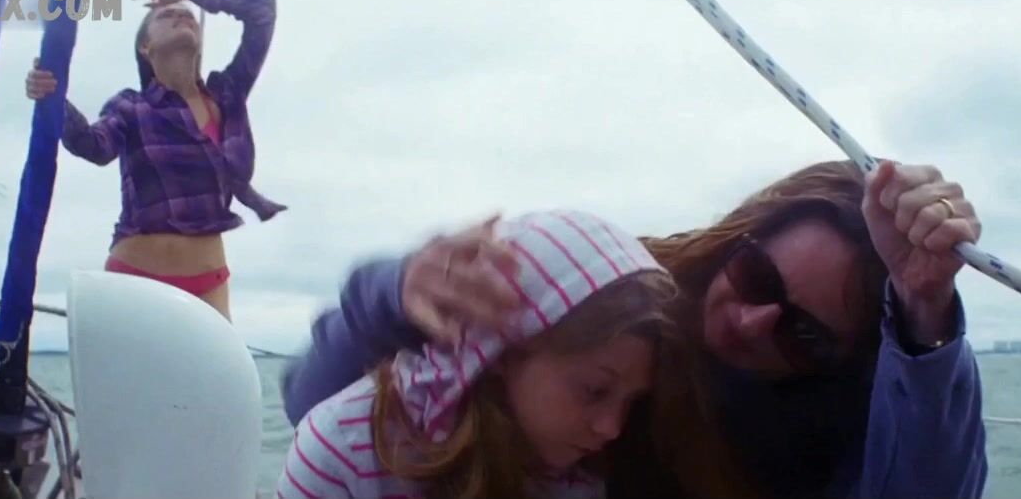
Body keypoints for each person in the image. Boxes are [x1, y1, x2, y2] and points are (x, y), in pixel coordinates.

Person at [279, 159, 988, 498]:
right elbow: (316, 405)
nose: (751, 320)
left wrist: (923, 314)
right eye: (757, 277)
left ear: (841, 362)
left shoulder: (826, 426)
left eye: (803, 335)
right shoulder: (597, 292)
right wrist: (395, 296)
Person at [274, 210, 749, 499]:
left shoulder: (573, 477)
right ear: (501, 351)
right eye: (595, 390)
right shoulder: (343, 450)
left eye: (630, 402)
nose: (611, 428)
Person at [24, 0, 286, 320]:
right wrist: (53, 98)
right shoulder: (131, 107)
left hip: (209, 283)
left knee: (216, 359)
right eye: (166, 15)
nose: (182, 15)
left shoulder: (227, 94)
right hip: (136, 280)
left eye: (188, 14)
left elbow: (262, 12)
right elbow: (93, 146)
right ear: (145, 47)